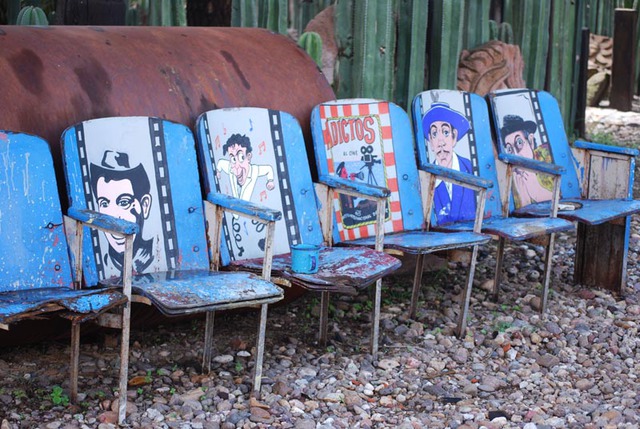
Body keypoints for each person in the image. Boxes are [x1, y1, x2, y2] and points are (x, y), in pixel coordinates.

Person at [90, 150, 153, 276]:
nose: (114, 216)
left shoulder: (154, 258)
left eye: (124, 203)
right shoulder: (104, 264)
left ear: (144, 205)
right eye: (104, 204)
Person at [422, 102, 476, 225]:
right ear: (430, 141)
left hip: (469, 229)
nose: (441, 142)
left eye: (445, 132)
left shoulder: (468, 167)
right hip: (438, 235)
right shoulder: (426, 177)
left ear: (454, 136)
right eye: (435, 134)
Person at [499, 114, 553, 207]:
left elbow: (560, 201)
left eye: (519, 143)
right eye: (510, 149)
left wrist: (536, 189)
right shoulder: (511, 174)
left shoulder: (546, 157)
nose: (515, 155)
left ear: (531, 140)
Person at [216, 133, 275, 202]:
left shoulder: (254, 171)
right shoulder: (230, 167)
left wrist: (270, 181)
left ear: (248, 156)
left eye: (241, 157)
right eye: (233, 159)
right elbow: (221, 163)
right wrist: (218, 171)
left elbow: (269, 169)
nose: (237, 166)